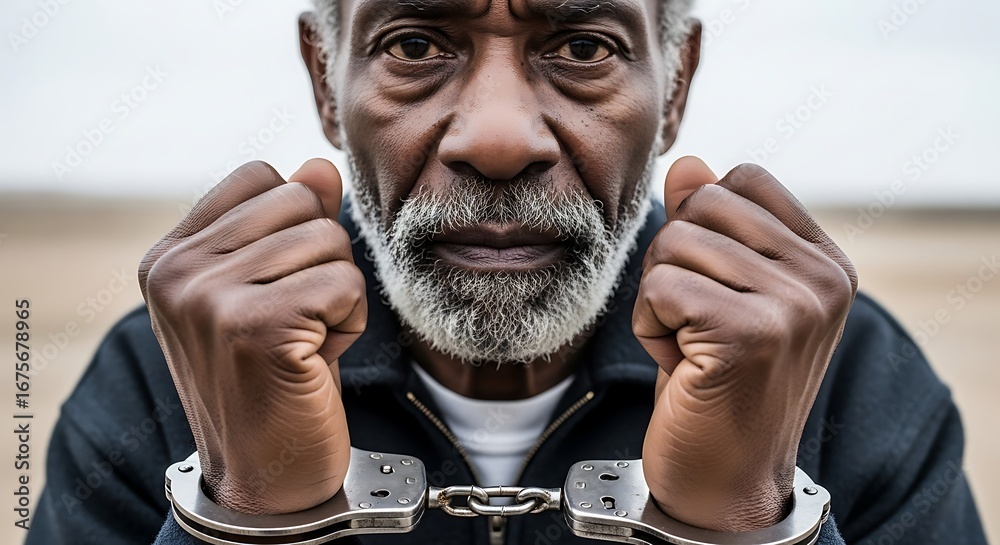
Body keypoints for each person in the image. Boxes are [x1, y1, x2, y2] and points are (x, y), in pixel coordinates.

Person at [27, 1, 988, 544]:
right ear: (325, 78)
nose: (496, 139)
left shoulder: (850, 377)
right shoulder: (165, 374)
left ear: (676, 85)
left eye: (583, 46)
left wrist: (745, 521)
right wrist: (245, 512)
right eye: (414, 44)